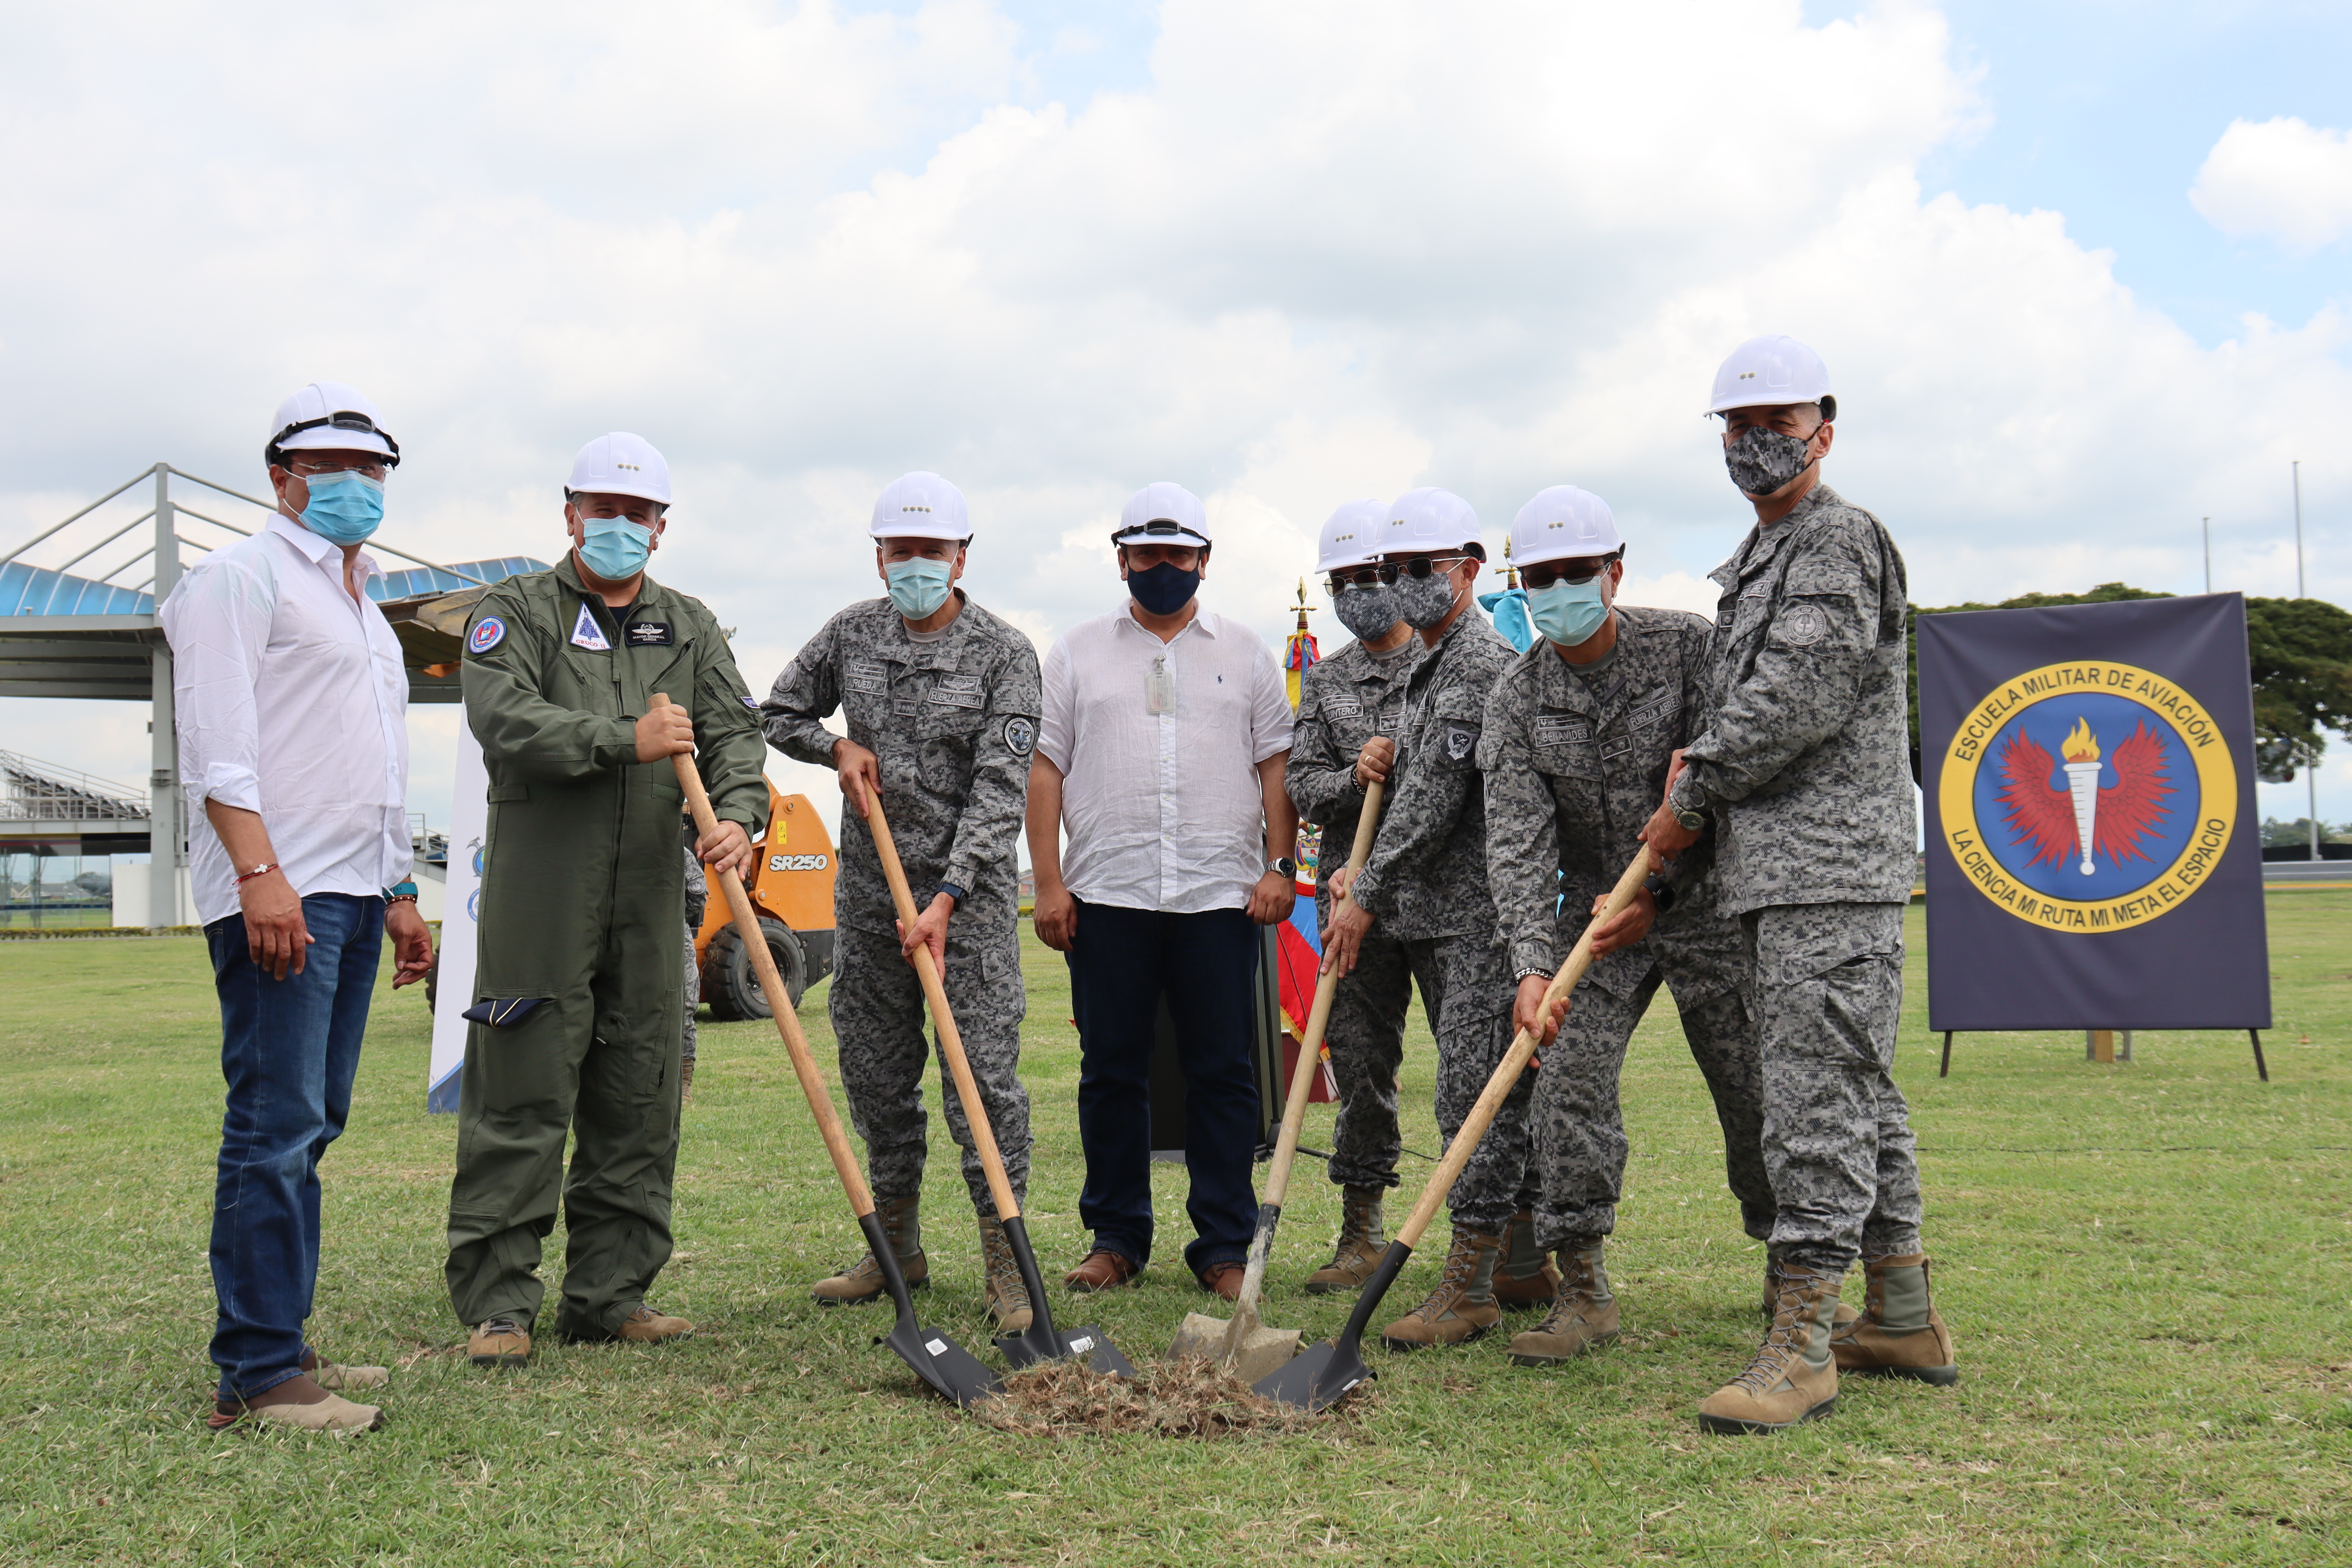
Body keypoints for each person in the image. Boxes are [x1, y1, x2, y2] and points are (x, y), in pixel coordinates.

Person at [1643, 336, 1959, 1434]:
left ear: (1824, 425)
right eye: (1734, 425)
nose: (1753, 441)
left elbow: (1796, 697)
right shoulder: (1758, 557)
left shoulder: (1837, 539)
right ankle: (1903, 1314)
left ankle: (1804, 1344)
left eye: (1775, 420)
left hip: (1827, 874)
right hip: (1777, 877)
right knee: (1857, 1089)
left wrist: (1689, 798)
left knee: (1814, 1102)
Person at [443, 433, 768, 1368]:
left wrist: (740, 817)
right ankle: (500, 1302)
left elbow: (735, 735)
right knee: (523, 1089)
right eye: (602, 508)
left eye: (637, 514)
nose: (619, 526)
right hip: (543, 894)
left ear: (661, 530)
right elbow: (502, 717)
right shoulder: (516, 612)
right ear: (570, 512)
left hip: (650, 895)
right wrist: (623, 736)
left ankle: (610, 1293)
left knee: (640, 1088)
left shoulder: (690, 626)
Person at [162, 381, 434, 1433]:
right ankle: (260, 1372)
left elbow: (378, 766)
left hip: (357, 885)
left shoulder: (364, 604)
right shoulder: (239, 579)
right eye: (335, 471)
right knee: (273, 1125)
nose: (360, 488)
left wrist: (403, 890)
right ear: (282, 479)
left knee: (315, 1122)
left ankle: (284, 1338)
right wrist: (260, 874)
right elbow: (217, 746)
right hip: (284, 888)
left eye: (374, 471)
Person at [1477, 485, 1772, 1368]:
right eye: (1542, 577)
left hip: (1705, 903)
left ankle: (1794, 1262)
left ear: (1615, 570)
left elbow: (1735, 782)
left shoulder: (1689, 648)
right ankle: (1583, 1287)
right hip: (1593, 920)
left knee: (1754, 1086)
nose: (1561, 589)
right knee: (1564, 1074)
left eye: (1577, 572)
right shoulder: (1518, 697)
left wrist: (1668, 889)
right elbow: (1519, 846)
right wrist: (1534, 965)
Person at [760, 472, 1041, 1332]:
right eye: (901, 550)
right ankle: (899, 1249)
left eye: (932, 551)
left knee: (982, 1083)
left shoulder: (1005, 652)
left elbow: (1002, 789)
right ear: (880, 556)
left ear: (961, 557)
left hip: (973, 905)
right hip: (870, 898)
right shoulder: (850, 634)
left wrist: (950, 896)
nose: (916, 564)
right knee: (879, 1073)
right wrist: (835, 745)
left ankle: (1008, 1267)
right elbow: (774, 710)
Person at [1027, 481, 1297, 1299]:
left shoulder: (1247, 653)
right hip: (1108, 894)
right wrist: (1048, 881)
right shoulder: (1075, 652)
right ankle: (1116, 1237)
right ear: (1122, 559)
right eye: (1146, 553)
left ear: (1204, 562)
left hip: (1221, 896)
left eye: (1178, 554)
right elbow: (1045, 768)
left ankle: (1222, 1244)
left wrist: (1279, 866)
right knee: (1112, 1069)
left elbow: (1275, 765)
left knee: (1224, 1070)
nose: (1162, 567)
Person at [1320, 488, 1534, 1348]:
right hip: (1430, 911)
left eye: (1423, 568)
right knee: (1481, 1090)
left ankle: (1473, 1281)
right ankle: (1515, 1261)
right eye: (1394, 568)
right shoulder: (1425, 666)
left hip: (1475, 915)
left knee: (1472, 1093)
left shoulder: (1477, 665)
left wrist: (1365, 889)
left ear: (1470, 570)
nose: (1405, 583)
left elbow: (1433, 802)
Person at [1282, 499, 1423, 1295]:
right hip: (1350, 903)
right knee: (1363, 1066)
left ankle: (1507, 1237)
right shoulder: (1329, 682)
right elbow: (1304, 785)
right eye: (1343, 581)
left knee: (1475, 1070)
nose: (1359, 592)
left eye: (1371, 576)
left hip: (1447, 902)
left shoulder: (1448, 662)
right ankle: (1360, 1231)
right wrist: (1353, 777)